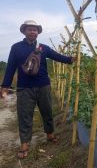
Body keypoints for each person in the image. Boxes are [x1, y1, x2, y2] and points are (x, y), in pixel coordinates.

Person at [0, 20, 75, 159]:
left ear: (38, 32)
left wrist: (69, 59)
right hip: (24, 87)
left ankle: (50, 134)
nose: (32, 31)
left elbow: (56, 56)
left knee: (47, 111)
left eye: (35, 29)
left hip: (43, 85)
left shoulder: (43, 48)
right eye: (30, 29)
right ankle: (25, 143)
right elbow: (10, 67)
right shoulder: (16, 48)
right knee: (24, 115)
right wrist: (5, 86)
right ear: (24, 31)